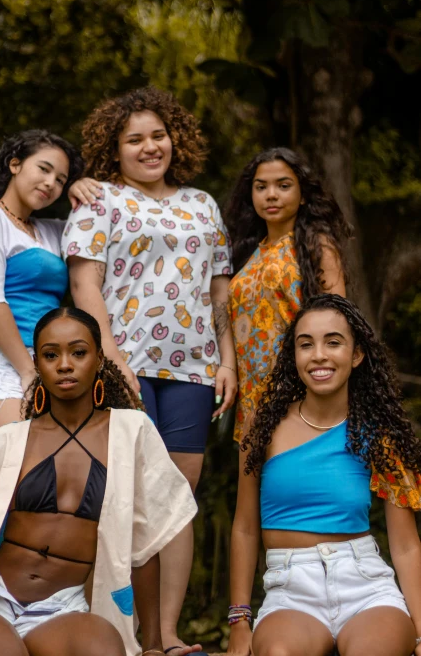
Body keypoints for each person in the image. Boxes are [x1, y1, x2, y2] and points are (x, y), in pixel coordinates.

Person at [0, 307, 197, 656]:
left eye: (79, 352)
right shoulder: (7, 442)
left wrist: (154, 648)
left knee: (103, 649)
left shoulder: (132, 432)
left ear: (99, 359)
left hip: (62, 609)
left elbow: (144, 548)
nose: (65, 364)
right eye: (51, 355)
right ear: (38, 364)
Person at [63, 86, 237, 655]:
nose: (149, 146)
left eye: (157, 135)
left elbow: (218, 289)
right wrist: (106, 352)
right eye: (134, 138)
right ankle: (126, 634)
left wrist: (227, 358)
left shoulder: (203, 204)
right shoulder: (99, 201)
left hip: (192, 369)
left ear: (174, 138)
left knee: (179, 499)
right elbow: (85, 283)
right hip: (126, 365)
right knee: (131, 498)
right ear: (115, 148)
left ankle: (168, 634)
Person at [227, 293, 421, 656]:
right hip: (290, 592)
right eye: (306, 344)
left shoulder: (379, 432)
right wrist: (239, 620)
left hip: (364, 586)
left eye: (333, 342)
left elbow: (406, 544)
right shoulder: (263, 425)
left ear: (357, 354)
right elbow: (244, 526)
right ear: (294, 356)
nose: (318, 355)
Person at [0, 130, 83, 436]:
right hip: (1, 360)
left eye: (61, 179)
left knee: (63, 471)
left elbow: (101, 230)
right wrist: (28, 372)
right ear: (15, 164)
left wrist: (82, 189)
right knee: (22, 458)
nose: (51, 183)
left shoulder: (53, 231)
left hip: (53, 363)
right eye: (44, 169)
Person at [224, 147, 351, 441]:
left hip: (301, 384)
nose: (271, 194)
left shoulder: (317, 246)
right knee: (262, 481)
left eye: (283, 185)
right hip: (253, 390)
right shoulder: (246, 252)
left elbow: (338, 322)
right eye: (261, 187)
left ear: (303, 194)